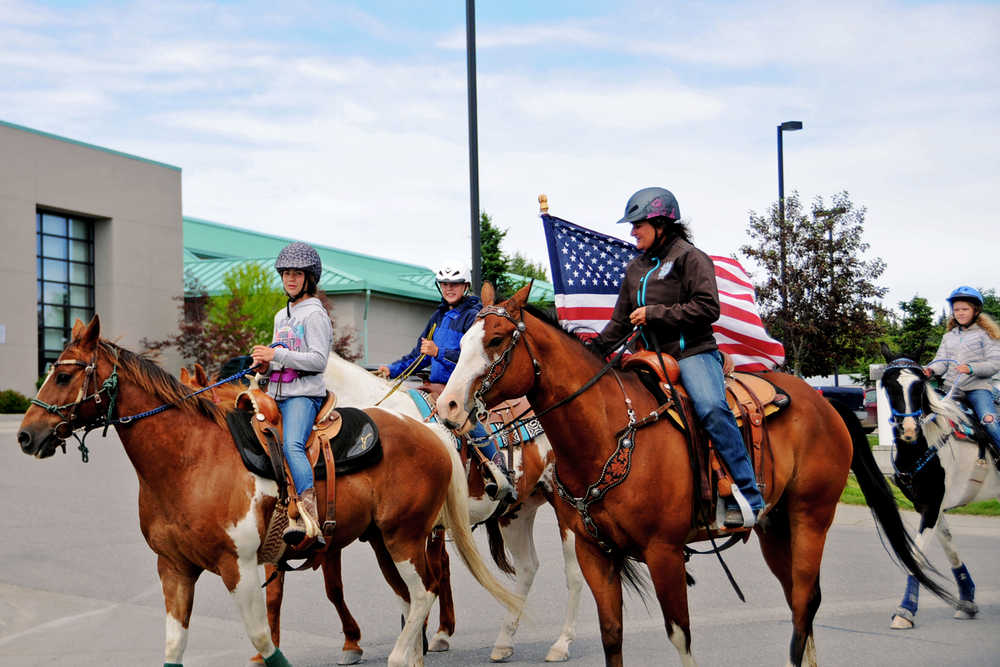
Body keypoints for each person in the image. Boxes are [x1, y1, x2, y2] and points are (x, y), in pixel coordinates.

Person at [588, 187, 764, 528]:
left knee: (711, 408)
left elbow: (707, 308)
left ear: (660, 224)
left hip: (691, 353)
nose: (632, 231)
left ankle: (748, 494)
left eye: (638, 224)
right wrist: (590, 353)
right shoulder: (635, 268)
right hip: (645, 358)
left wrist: (655, 313)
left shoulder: (690, 258)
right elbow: (619, 324)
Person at [377, 261, 516, 502]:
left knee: (463, 418)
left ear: (465, 286)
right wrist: (390, 369)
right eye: (444, 284)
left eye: (454, 284)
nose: (449, 288)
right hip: (434, 386)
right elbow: (418, 355)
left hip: (462, 388)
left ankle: (498, 468)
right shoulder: (438, 316)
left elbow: (470, 358)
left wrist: (438, 352)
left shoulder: (473, 316)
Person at [251, 241, 333, 545]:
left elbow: (318, 361)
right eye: (286, 273)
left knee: (293, 446)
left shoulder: (315, 315)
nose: (290, 279)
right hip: (275, 393)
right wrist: (264, 367)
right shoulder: (280, 317)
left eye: (297, 273)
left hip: (303, 395)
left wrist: (278, 357)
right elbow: (279, 356)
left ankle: (309, 512)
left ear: (309, 278)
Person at [924, 286, 1000, 459]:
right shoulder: (948, 337)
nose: (960, 313)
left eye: (965, 309)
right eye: (956, 309)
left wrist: (971, 368)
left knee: (989, 422)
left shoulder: (986, 334)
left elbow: (995, 363)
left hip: (978, 388)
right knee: (926, 416)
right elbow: (941, 362)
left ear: (975, 310)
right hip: (952, 389)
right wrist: (930, 370)